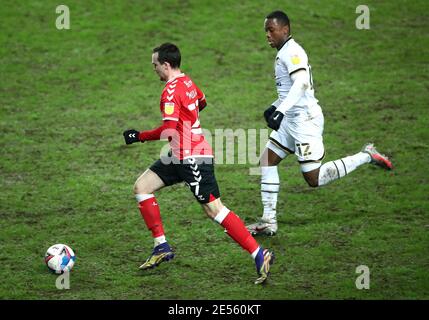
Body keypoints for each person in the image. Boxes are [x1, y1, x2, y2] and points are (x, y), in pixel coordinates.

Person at [123, 43, 274, 284]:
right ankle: (161, 246)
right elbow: (201, 102)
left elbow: (169, 131)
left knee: (214, 210)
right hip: (177, 155)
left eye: (155, 65)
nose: (153, 69)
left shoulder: (170, 92)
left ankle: (259, 254)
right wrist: (189, 120)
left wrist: (138, 136)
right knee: (141, 187)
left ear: (166, 64)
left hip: (192, 157)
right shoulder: (188, 82)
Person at [246, 11, 393, 236]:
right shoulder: (284, 52)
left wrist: (280, 110)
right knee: (267, 160)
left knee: (313, 179)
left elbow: (302, 83)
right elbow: (290, 89)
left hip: (305, 122)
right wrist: (275, 106)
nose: (267, 35)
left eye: (271, 30)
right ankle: (268, 220)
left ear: (285, 30)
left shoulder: (292, 52)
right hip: (291, 120)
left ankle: (367, 155)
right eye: (266, 30)